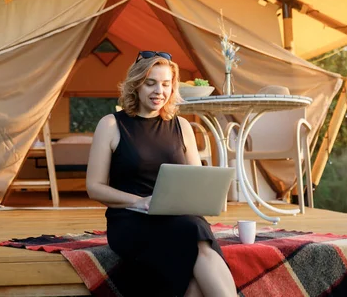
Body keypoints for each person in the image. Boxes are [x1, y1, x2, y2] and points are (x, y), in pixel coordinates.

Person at [86, 51, 237, 297]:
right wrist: (140, 201)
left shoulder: (182, 126)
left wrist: (208, 195)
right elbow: (94, 187)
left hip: (179, 219)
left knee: (195, 233)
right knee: (195, 234)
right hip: (131, 220)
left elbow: (196, 182)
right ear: (136, 85)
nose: (159, 91)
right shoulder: (111, 125)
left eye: (166, 84)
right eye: (151, 83)